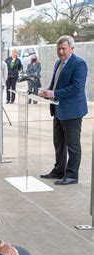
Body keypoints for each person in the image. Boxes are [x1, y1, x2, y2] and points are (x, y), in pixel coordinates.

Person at [39, 35, 88, 186]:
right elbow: (56, 83)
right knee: (59, 143)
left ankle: (72, 175)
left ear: (72, 48)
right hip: (58, 109)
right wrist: (47, 92)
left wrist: (53, 94)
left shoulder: (79, 64)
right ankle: (59, 170)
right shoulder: (58, 63)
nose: (60, 52)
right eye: (58, 49)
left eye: (63, 49)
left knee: (73, 145)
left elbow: (76, 87)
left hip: (72, 111)